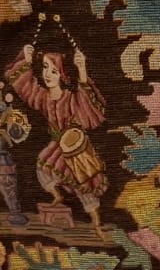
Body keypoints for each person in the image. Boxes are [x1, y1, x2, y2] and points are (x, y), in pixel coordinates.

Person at [6, 43, 109, 228]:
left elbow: (87, 107)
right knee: (42, 165)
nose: (48, 74)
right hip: (56, 145)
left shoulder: (70, 97)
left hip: (74, 147)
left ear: (62, 74)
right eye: (45, 68)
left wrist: (82, 69)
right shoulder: (43, 97)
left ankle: (96, 221)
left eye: (54, 71)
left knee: (82, 183)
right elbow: (26, 88)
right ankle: (57, 195)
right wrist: (27, 61)